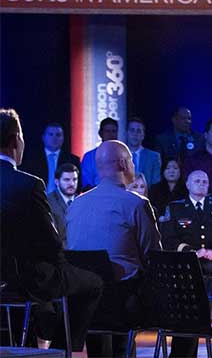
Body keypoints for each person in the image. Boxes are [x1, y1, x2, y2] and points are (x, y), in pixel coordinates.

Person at [0, 108, 102, 351]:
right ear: (16, 140)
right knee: (93, 283)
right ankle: (60, 350)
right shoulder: (29, 184)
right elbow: (52, 243)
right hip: (27, 280)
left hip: (5, 280)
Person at [67, 140, 162, 357]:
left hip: (82, 305)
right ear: (122, 163)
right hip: (124, 305)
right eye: (131, 160)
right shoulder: (136, 204)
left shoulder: (76, 205)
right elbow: (154, 256)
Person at [161, 169, 212, 356]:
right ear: (188, 185)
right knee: (179, 266)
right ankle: (190, 315)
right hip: (190, 260)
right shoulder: (175, 207)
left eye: (205, 181)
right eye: (197, 181)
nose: (202, 184)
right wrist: (192, 252)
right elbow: (169, 238)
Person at [20, 122, 81, 193]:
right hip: (38, 199)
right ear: (43, 137)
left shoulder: (73, 160)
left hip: (64, 201)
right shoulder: (31, 159)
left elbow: (78, 186)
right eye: (51, 134)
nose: (54, 138)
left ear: (63, 138)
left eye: (58, 135)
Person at [80, 117, 119, 190]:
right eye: (107, 131)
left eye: (114, 131)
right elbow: (86, 185)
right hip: (95, 198)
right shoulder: (89, 157)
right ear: (100, 133)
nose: (111, 135)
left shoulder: (124, 156)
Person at [47, 163, 79, 247]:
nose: (72, 184)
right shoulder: (48, 202)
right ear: (57, 182)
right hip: (60, 253)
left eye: (75, 179)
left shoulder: (82, 200)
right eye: (67, 180)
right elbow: (52, 237)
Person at [126, 117, 161, 185]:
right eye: (132, 130)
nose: (135, 134)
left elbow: (156, 184)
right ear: (127, 133)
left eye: (138, 131)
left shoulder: (154, 157)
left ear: (143, 135)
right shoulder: (118, 156)